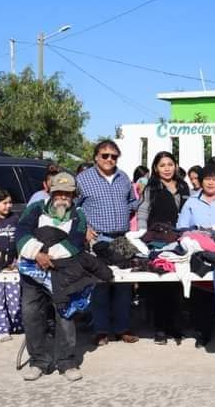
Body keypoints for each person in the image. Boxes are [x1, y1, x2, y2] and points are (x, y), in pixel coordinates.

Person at [16, 172, 89, 382]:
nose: (63, 197)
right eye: (59, 192)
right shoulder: (36, 208)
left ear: (73, 195)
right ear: (50, 192)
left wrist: (50, 257)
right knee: (32, 314)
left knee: (65, 315)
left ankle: (66, 362)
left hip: (62, 271)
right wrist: (38, 254)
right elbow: (21, 231)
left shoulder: (78, 214)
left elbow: (76, 240)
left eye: (68, 193)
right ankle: (38, 361)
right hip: (32, 269)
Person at [76, 140, 140, 347]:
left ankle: (122, 328)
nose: (109, 159)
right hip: (98, 239)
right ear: (96, 157)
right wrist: (84, 228)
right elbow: (73, 207)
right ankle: (100, 330)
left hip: (122, 238)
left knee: (125, 284)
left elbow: (132, 202)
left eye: (113, 156)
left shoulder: (124, 177)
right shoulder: (83, 179)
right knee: (99, 284)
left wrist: (139, 200)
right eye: (105, 155)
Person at [176, 163, 215, 349]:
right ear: (201, 181)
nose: (210, 183)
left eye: (214, 179)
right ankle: (203, 332)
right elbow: (182, 228)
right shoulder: (191, 202)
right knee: (202, 293)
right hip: (200, 254)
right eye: (207, 179)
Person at [137, 151, 191, 345]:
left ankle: (174, 326)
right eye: (162, 165)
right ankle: (159, 328)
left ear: (175, 166)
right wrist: (142, 236)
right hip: (157, 240)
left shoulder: (184, 186)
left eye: (170, 164)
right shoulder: (151, 187)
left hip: (180, 239)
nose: (167, 168)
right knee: (160, 283)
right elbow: (143, 212)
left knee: (177, 284)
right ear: (155, 168)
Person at [0, 189, 22, 342]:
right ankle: (1, 329)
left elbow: (19, 239)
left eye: (10, 202)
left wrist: (19, 259)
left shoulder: (14, 218)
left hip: (12, 265)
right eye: (4, 203)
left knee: (14, 296)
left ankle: (17, 324)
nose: (8, 206)